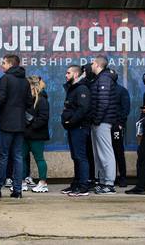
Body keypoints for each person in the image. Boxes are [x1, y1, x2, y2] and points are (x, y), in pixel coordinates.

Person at [0, 54, 32, 199]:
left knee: (3, 156)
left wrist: (1, 114)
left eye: (3, 63)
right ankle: (17, 190)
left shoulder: (5, 79)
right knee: (17, 156)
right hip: (20, 123)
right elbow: (29, 102)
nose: (1, 65)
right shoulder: (25, 81)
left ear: (10, 64)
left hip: (7, 123)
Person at [60, 65, 91, 196]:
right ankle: (76, 184)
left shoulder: (82, 88)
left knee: (80, 157)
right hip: (73, 128)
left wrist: (71, 121)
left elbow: (83, 109)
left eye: (68, 73)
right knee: (75, 157)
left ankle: (83, 187)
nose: (66, 75)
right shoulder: (73, 88)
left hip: (79, 127)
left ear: (76, 74)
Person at [90, 56, 118, 194]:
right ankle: (103, 181)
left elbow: (103, 102)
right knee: (99, 153)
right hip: (100, 120)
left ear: (97, 64)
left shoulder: (104, 79)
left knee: (105, 152)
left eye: (93, 63)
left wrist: (97, 119)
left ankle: (109, 183)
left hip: (103, 121)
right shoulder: (100, 78)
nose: (91, 65)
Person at [22, 75, 50, 193]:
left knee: (39, 158)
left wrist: (31, 126)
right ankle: (21, 181)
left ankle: (43, 182)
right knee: (22, 157)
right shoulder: (27, 100)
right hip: (25, 134)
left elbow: (43, 118)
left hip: (37, 135)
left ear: (32, 87)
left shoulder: (42, 100)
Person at [110, 70, 130, 187]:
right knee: (108, 152)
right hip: (106, 125)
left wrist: (120, 123)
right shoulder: (105, 90)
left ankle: (122, 177)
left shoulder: (121, 91)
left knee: (118, 151)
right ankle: (112, 176)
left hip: (116, 126)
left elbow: (126, 108)